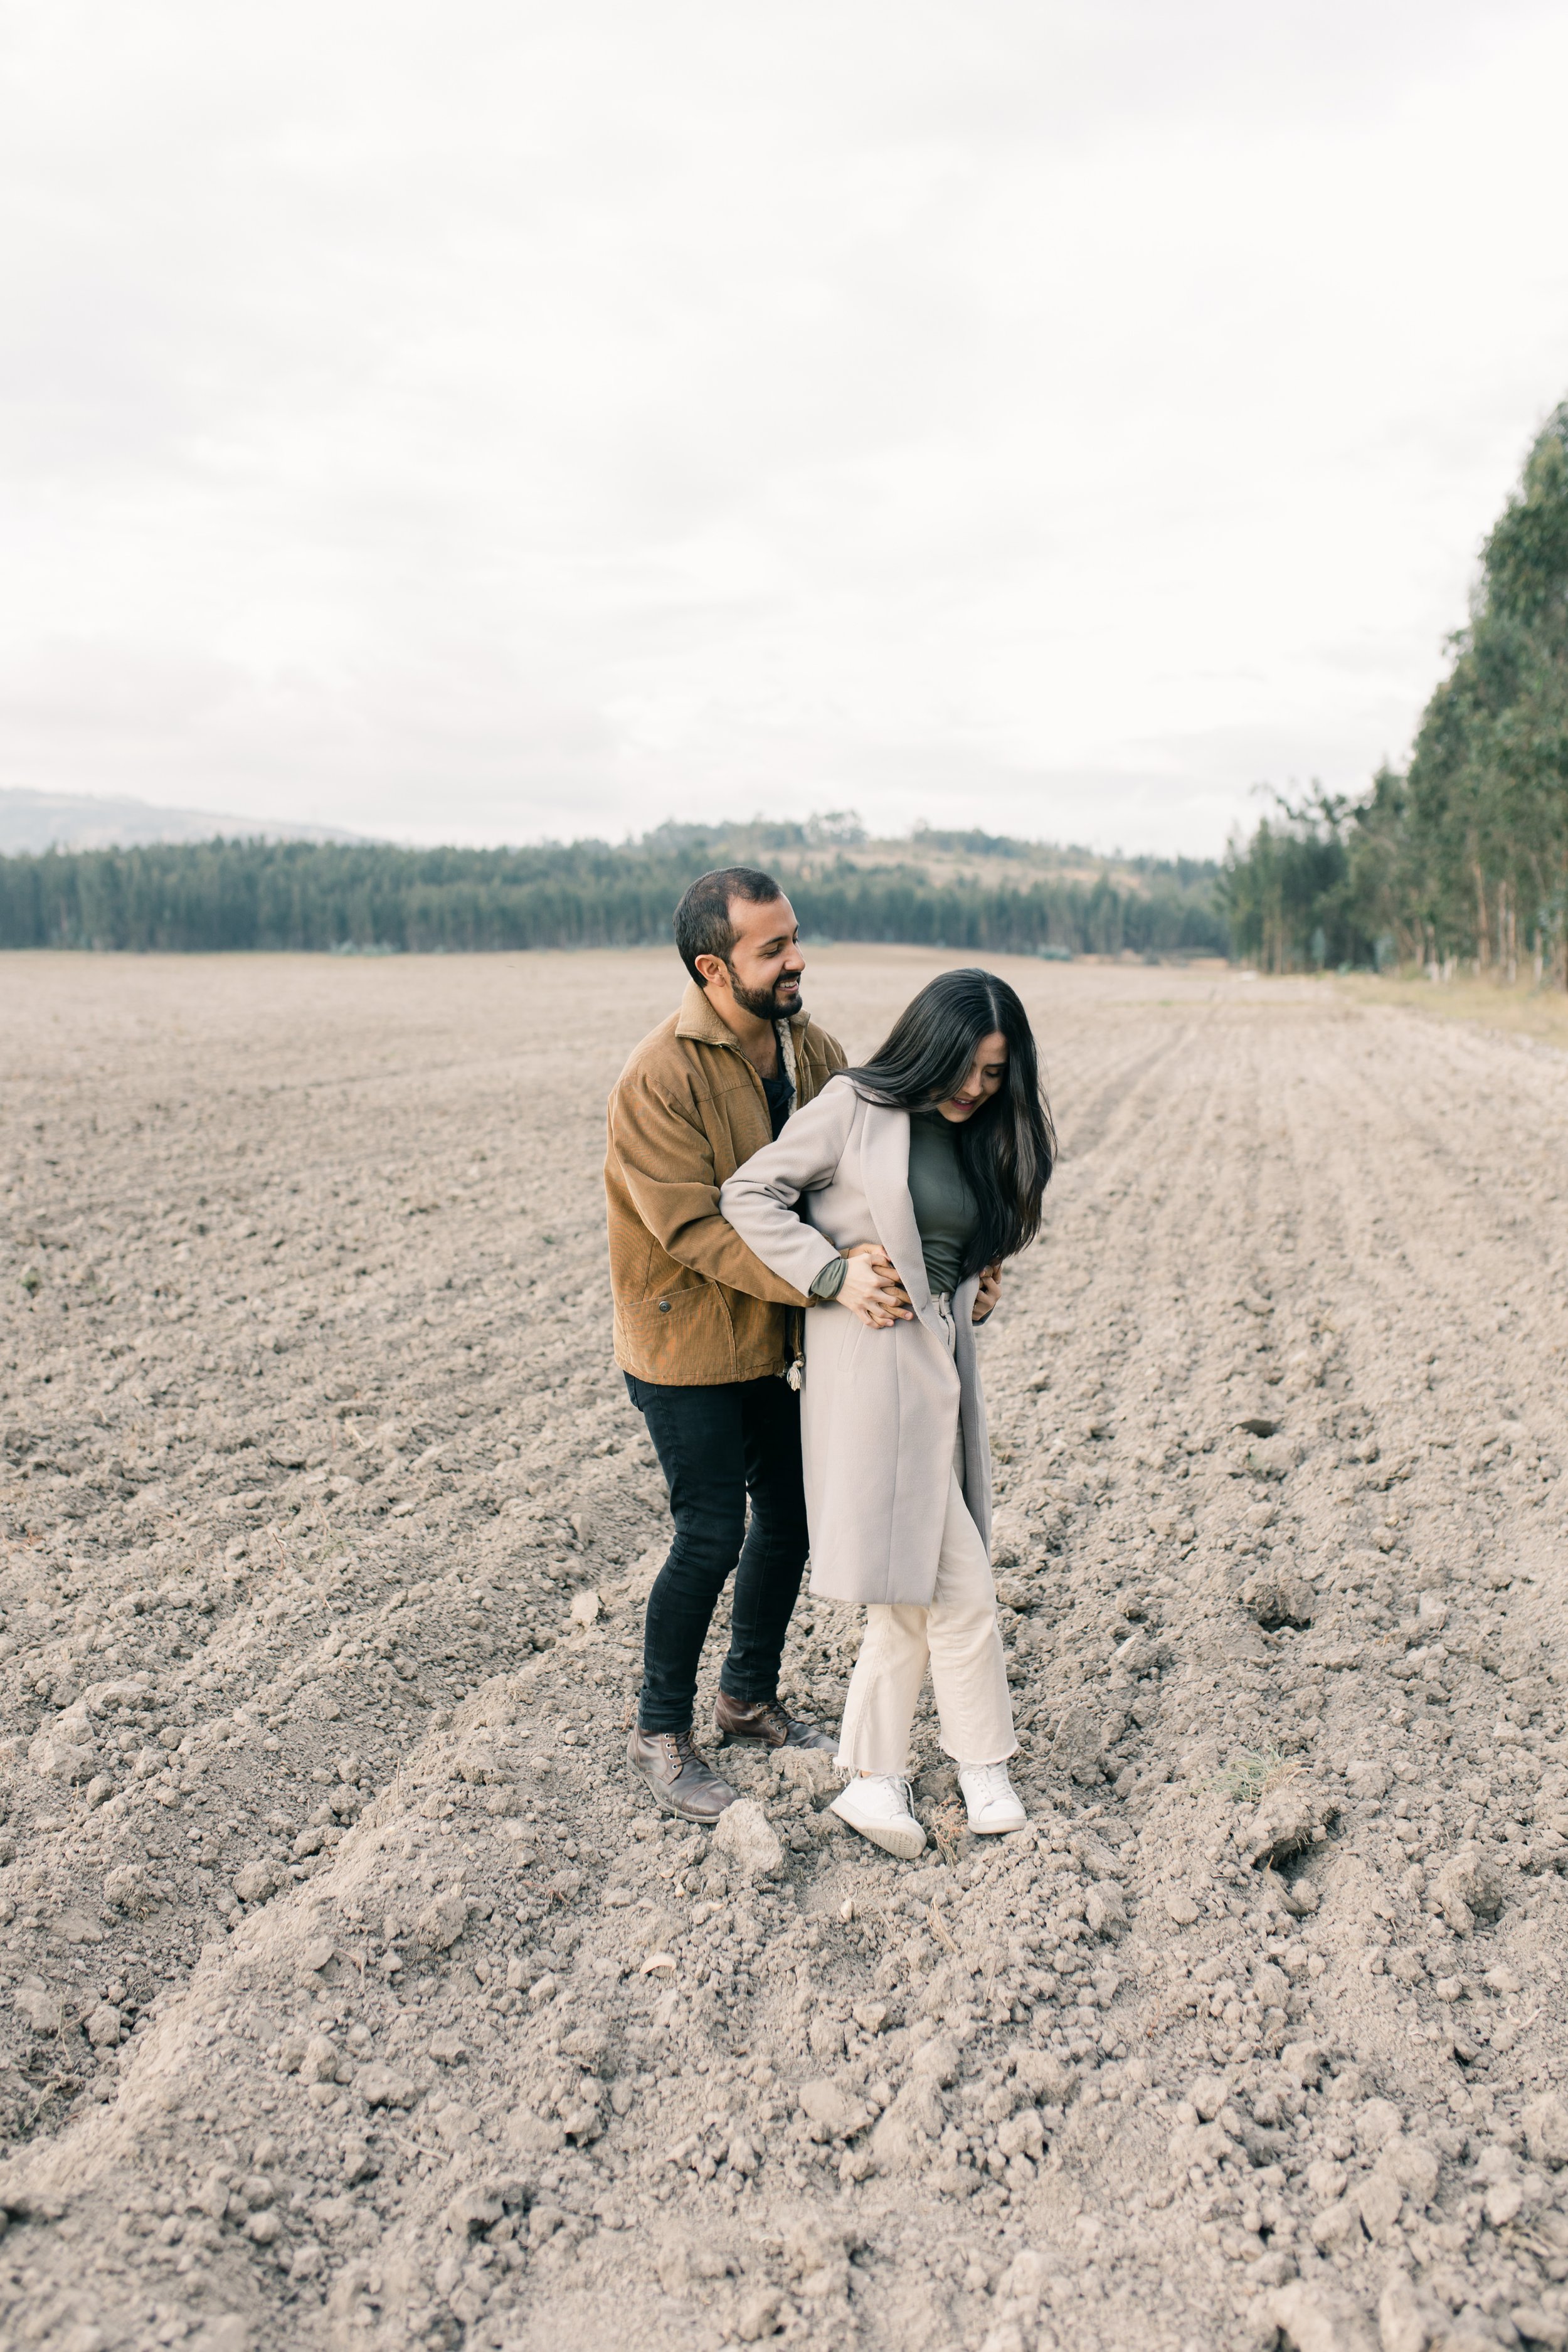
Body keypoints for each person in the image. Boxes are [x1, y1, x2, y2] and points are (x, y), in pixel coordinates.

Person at [719, 967, 1054, 1859]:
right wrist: (829, 1271)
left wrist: (978, 1283)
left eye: (995, 1074)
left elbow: (952, 1245)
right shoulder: (853, 1106)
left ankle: (873, 1781)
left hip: (935, 1364)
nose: (978, 1088)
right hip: (872, 1369)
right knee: (963, 1582)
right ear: (929, 1045)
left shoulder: (977, 1127)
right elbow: (748, 1193)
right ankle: (983, 1765)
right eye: (967, 1067)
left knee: (912, 1594)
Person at [605, 866, 911, 1822]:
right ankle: (662, 1731)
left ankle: (745, 1697)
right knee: (711, 1532)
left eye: (793, 937)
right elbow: (695, 1230)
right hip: (684, 1344)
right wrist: (828, 1275)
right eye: (770, 947)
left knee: (793, 1516)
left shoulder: (812, 1047)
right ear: (712, 966)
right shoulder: (660, 1077)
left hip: (777, 1335)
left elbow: (864, 1162)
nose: (796, 957)